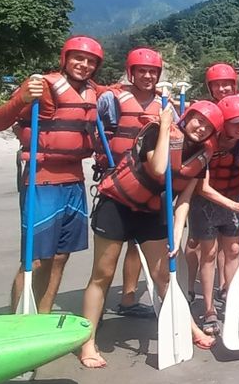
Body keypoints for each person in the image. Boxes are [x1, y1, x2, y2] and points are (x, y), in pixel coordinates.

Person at [78, 99, 223, 367]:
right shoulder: (157, 131)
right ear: (187, 117)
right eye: (198, 120)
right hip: (117, 206)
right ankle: (87, 343)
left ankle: (191, 329)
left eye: (208, 127)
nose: (201, 128)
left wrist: (176, 233)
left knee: (164, 277)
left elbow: (184, 200)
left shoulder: (202, 155)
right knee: (102, 275)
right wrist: (166, 126)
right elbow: (158, 168)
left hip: (151, 213)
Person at [0, 35, 103, 315]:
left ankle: (45, 314)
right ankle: (16, 321)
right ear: (65, 59)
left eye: (90, 61)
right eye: (78, 58)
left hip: (74, 181)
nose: (84, 65)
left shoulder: (93, 91)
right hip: (42, 181)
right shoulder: (43, 87)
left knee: (60, 256)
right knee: (36, 259)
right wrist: (22, 99)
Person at [187, 93, 239, 336]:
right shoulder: (208, 144)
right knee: (209, 254)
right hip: (206, 204)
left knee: (232, 251)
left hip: (234, 200)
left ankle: (232, 297)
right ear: (224, 123)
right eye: (236, 123)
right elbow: (202, 187)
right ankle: (209, 309)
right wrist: (233, 206)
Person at [94, 47, 164, 318]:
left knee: (137, 245)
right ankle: (95, 312)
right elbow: (86, 116)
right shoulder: (111, 99)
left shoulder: (166, 104)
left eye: (152, 72)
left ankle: (128, 298)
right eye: (141, 71)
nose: (147, 76)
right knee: (106, 261)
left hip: (149, 186)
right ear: (131, 72)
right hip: (117, 183)